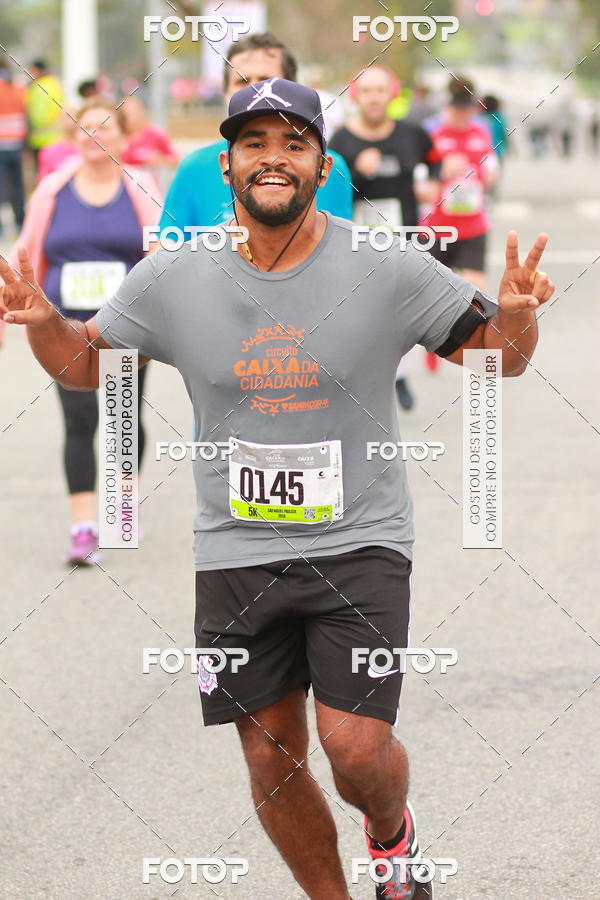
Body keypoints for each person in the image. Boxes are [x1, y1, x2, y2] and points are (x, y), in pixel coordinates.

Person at [0, 80, 555, 900]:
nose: (273, 158)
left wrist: (515, 314)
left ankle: (391, 838)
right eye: (254, 143)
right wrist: (45, 320)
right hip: (236, 545)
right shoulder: (173, 275)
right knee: (267, 753)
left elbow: (497, 355)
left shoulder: (385, 263)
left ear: (320, 166)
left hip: (359, 537)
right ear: (227, 166)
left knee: (358, 750)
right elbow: (88, 366)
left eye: (293, 143)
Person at [8, 99, 160, 565]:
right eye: (85, 128)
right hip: (63, 326)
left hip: (123, 326)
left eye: (104, 127)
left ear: (122, 135)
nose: (95, 135)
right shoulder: (52, 190)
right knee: (78, 420)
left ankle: (120, 505)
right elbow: (26, 256)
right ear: (74, 138)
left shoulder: (140, 185)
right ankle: (83, 528)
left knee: (122, 421)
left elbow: (160, 254)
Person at [158, 32, 352, 233]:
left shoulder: (328, 168)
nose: (254, 91)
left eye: (265, 80)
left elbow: (337, 247)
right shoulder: (194, 167)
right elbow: (166, 243)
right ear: (225, 92)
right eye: (242, 81)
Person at [329, 65, 439, 411]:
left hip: (403, 235)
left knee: (397, 309)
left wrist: (433, 182)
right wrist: (357, 171)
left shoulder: (412, 134)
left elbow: (434, 160)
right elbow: (329, 189)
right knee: (364, 312)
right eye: (367, 91)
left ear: (391, 94)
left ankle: (399, 374)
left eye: (380, 90)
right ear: (355, 97)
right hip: (357, 239)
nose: (374, 98)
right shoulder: (341, 141)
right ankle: (375, 378)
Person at [423, 76, 498, 291]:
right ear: (447, 105)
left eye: (467, 109)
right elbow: (420, 182)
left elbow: (491, 166)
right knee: (434, 294)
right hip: (438, 228)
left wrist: (488, 173)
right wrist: (441, 170)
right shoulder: (431, 133)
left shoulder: (482, 131)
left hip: (473, 225)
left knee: (475, 295)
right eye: (457, 109)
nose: (462, 115)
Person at [0, 68, 26, 239]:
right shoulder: (19, 90)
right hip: (17, 144)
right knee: (17, 185)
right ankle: (20, 222)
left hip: (2, 145)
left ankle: (2, 228)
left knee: (2, 187)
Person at [120, 96, 179, 171]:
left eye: (133, 113)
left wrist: (160, 159)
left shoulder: (156, 133)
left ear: (141, 112)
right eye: (125, 115)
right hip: (124, 180)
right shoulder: (117, 135)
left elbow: (177, 159)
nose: (130, 118)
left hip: (149, 180)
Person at [25, 60, 63, 169]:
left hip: (40, 140)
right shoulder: (55, 83)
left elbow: (38, 116)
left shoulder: (38, 87)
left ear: (37, 70)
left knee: (43, 174)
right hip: (57, 137)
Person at [36, 107, 80, 181]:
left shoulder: (86, 149)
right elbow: (44, 180)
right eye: (66, 118)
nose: (70, 122)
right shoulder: (49, 151)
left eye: (73, 118)